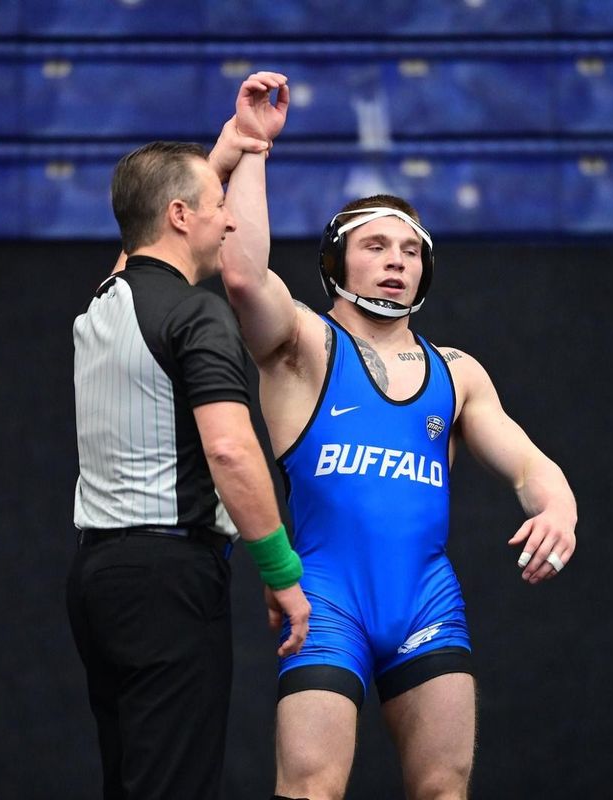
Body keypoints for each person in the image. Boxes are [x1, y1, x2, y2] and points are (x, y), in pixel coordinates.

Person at [216, 72, 578, 799]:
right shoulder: (304, 348)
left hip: (424, 600)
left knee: (444, 789)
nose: (395, 261)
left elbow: (529, 462)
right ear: (335, 264)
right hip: (328, 598)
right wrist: (252, 149)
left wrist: (557, 505)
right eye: (376, 246)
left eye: (410, 251)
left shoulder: (457, 372)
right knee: (312, 787)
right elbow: (246, 279)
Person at [66, 120, 312, 800]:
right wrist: (281, 569)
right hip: (168, 583)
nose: (229, 221)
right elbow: (231, 450)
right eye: (218, 204)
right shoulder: (197, 316)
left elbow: (135, 252)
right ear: (179, 215)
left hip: (99, 583)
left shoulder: (102, 305)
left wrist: (228, 150)